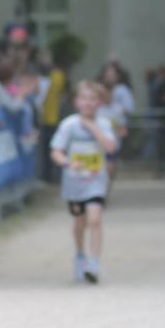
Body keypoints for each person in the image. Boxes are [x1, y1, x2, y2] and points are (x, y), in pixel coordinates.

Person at [50, 80, 118, 284]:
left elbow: (111, 147)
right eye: (84, 99)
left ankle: (94, 264)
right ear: (76, 101)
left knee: (94, 219)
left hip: (96, 181)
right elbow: (56, 151)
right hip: (74, 183)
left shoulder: (104, 124)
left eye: (92, 99)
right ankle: (80, 254)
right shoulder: (69, 125)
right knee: (80, 221)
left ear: (99, 102)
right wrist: (68, 163)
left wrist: (92, 127)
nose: (88, 103)